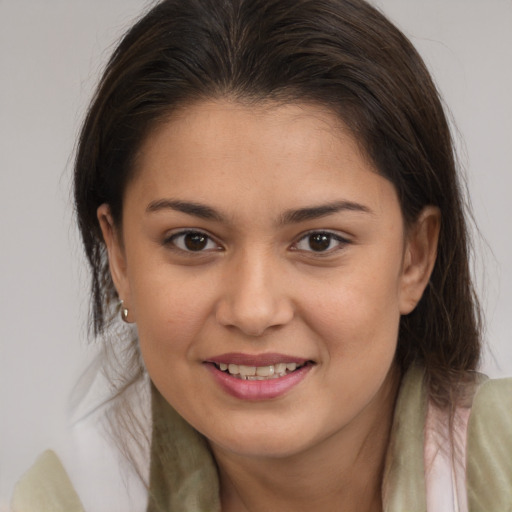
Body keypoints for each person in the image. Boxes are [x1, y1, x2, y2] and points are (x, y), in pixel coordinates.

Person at [11, 0, 512, 511]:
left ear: (414, 258)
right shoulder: (65, 499)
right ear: (119, 258)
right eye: (193, 240)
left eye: (320, 241)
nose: (252, 311)